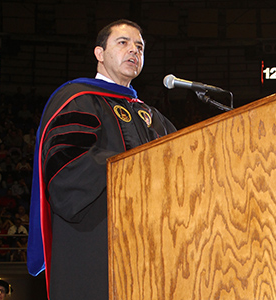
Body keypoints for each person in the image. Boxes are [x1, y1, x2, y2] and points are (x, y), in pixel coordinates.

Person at [27, 19, 176, 300]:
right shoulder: (77, 100)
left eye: (140, 47)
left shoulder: (152, 116)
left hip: (154, 251)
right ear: (99, 53)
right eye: (123, 43)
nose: (134, 50)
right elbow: (66, 171)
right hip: (96, 244)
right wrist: (137, 167)